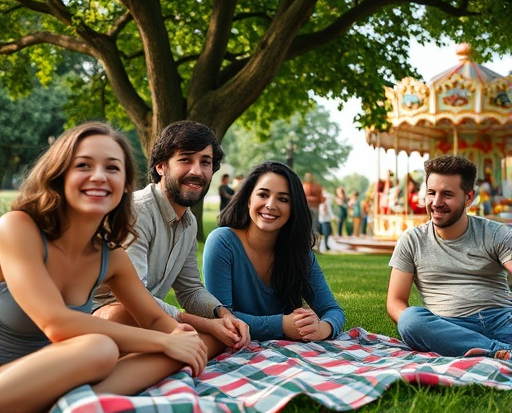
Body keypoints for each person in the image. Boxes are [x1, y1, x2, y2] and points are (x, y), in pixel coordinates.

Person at [0, 121, 209, 412]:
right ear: (60, 175)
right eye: (84, 165)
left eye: (112, 168)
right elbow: (56, 323)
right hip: (7, 379)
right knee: (100, 348)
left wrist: (177, 338)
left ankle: (68, 405)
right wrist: (163, 341)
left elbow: (154, 321)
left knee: (176, 351)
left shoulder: (110, 256)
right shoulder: (17, 228)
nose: (99, 176)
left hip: (56, 373)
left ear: (125, 185)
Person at [94, 121, 249, 355]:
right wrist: (206, 325)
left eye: (205, 162)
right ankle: (177, 353)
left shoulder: (189, 223)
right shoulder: (136, 211)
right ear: (161, 167)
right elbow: (133, 297)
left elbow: (190, 290)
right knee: (119, 315)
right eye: (185, 159)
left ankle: (171, 355)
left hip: (151, 322)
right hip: (103, 315)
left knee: (222, 339)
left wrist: (223, 315)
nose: (197, 171)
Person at [203, 161, 345, 342]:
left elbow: (333, 310)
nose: (270, 205)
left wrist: (322, 328)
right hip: (235, 350)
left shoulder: (299, 253)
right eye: (263, 195)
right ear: (248, 199)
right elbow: (221, 318)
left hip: (288, 358)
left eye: (283, 199)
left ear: (293, 209)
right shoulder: (222, 242)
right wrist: (282, 325)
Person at [387, 155, 512, 360]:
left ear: (469, 198)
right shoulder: (411, 240)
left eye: (447, 194)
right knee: (410, 320)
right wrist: (420, 328)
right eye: (431, 193)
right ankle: (500, 350)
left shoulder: (495, 233)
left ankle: (493, 352)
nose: (436, 203)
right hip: (448, 328)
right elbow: (395, 301)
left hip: (501, 319)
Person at [302, 172, 323, 250]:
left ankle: (315, 246)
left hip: (313, 208)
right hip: (308, 208)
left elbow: (321, 198)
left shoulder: (316, 187)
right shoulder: (304, 186)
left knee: (314, 227)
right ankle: (309, 246)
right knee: (308, 227)